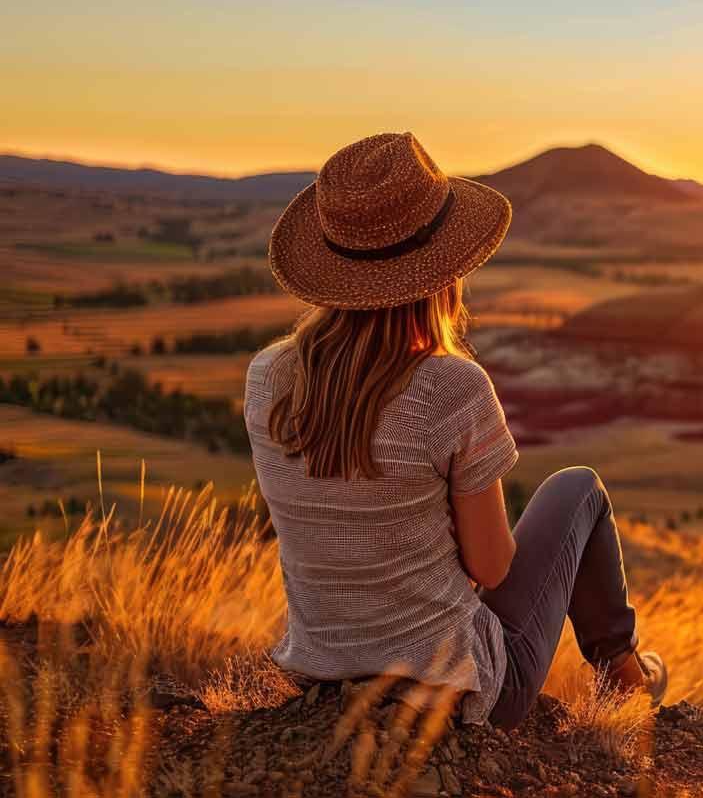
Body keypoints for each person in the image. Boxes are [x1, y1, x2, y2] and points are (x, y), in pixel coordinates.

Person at [243, 132, 666, 729]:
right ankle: (626, 677)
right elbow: (491, 569)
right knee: (580, 489)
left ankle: (626, 678)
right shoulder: (451, 388)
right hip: (467, 692)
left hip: (323, 673)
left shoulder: (266, 379)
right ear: (442, 270)